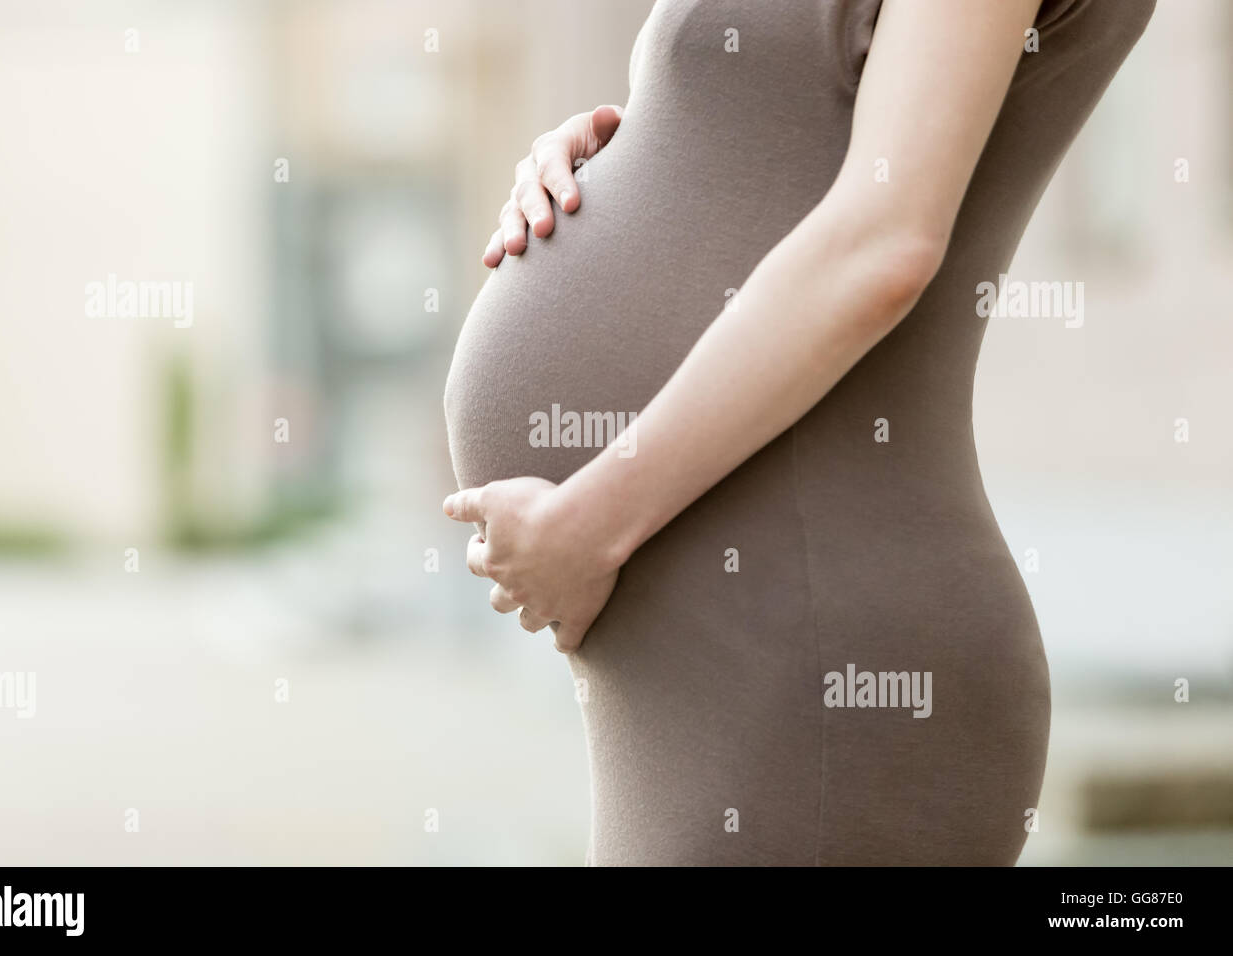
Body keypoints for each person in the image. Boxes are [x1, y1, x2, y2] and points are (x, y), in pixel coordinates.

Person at [442, 0, 1155, 865]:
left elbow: (885, 242)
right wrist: (645, 143)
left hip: (823, 660)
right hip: (734, 654)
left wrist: (589, 524)